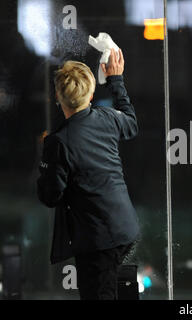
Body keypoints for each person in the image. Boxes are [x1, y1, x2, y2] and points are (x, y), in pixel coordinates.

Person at [37, 49, 140, 300]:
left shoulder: (58, 143)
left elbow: (50, 195)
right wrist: (116, 81)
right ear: (91, 95)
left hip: (98, 239)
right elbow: (131, 124)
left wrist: (45, 167)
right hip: (125, 228)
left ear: (58, 97)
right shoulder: (107, 119)